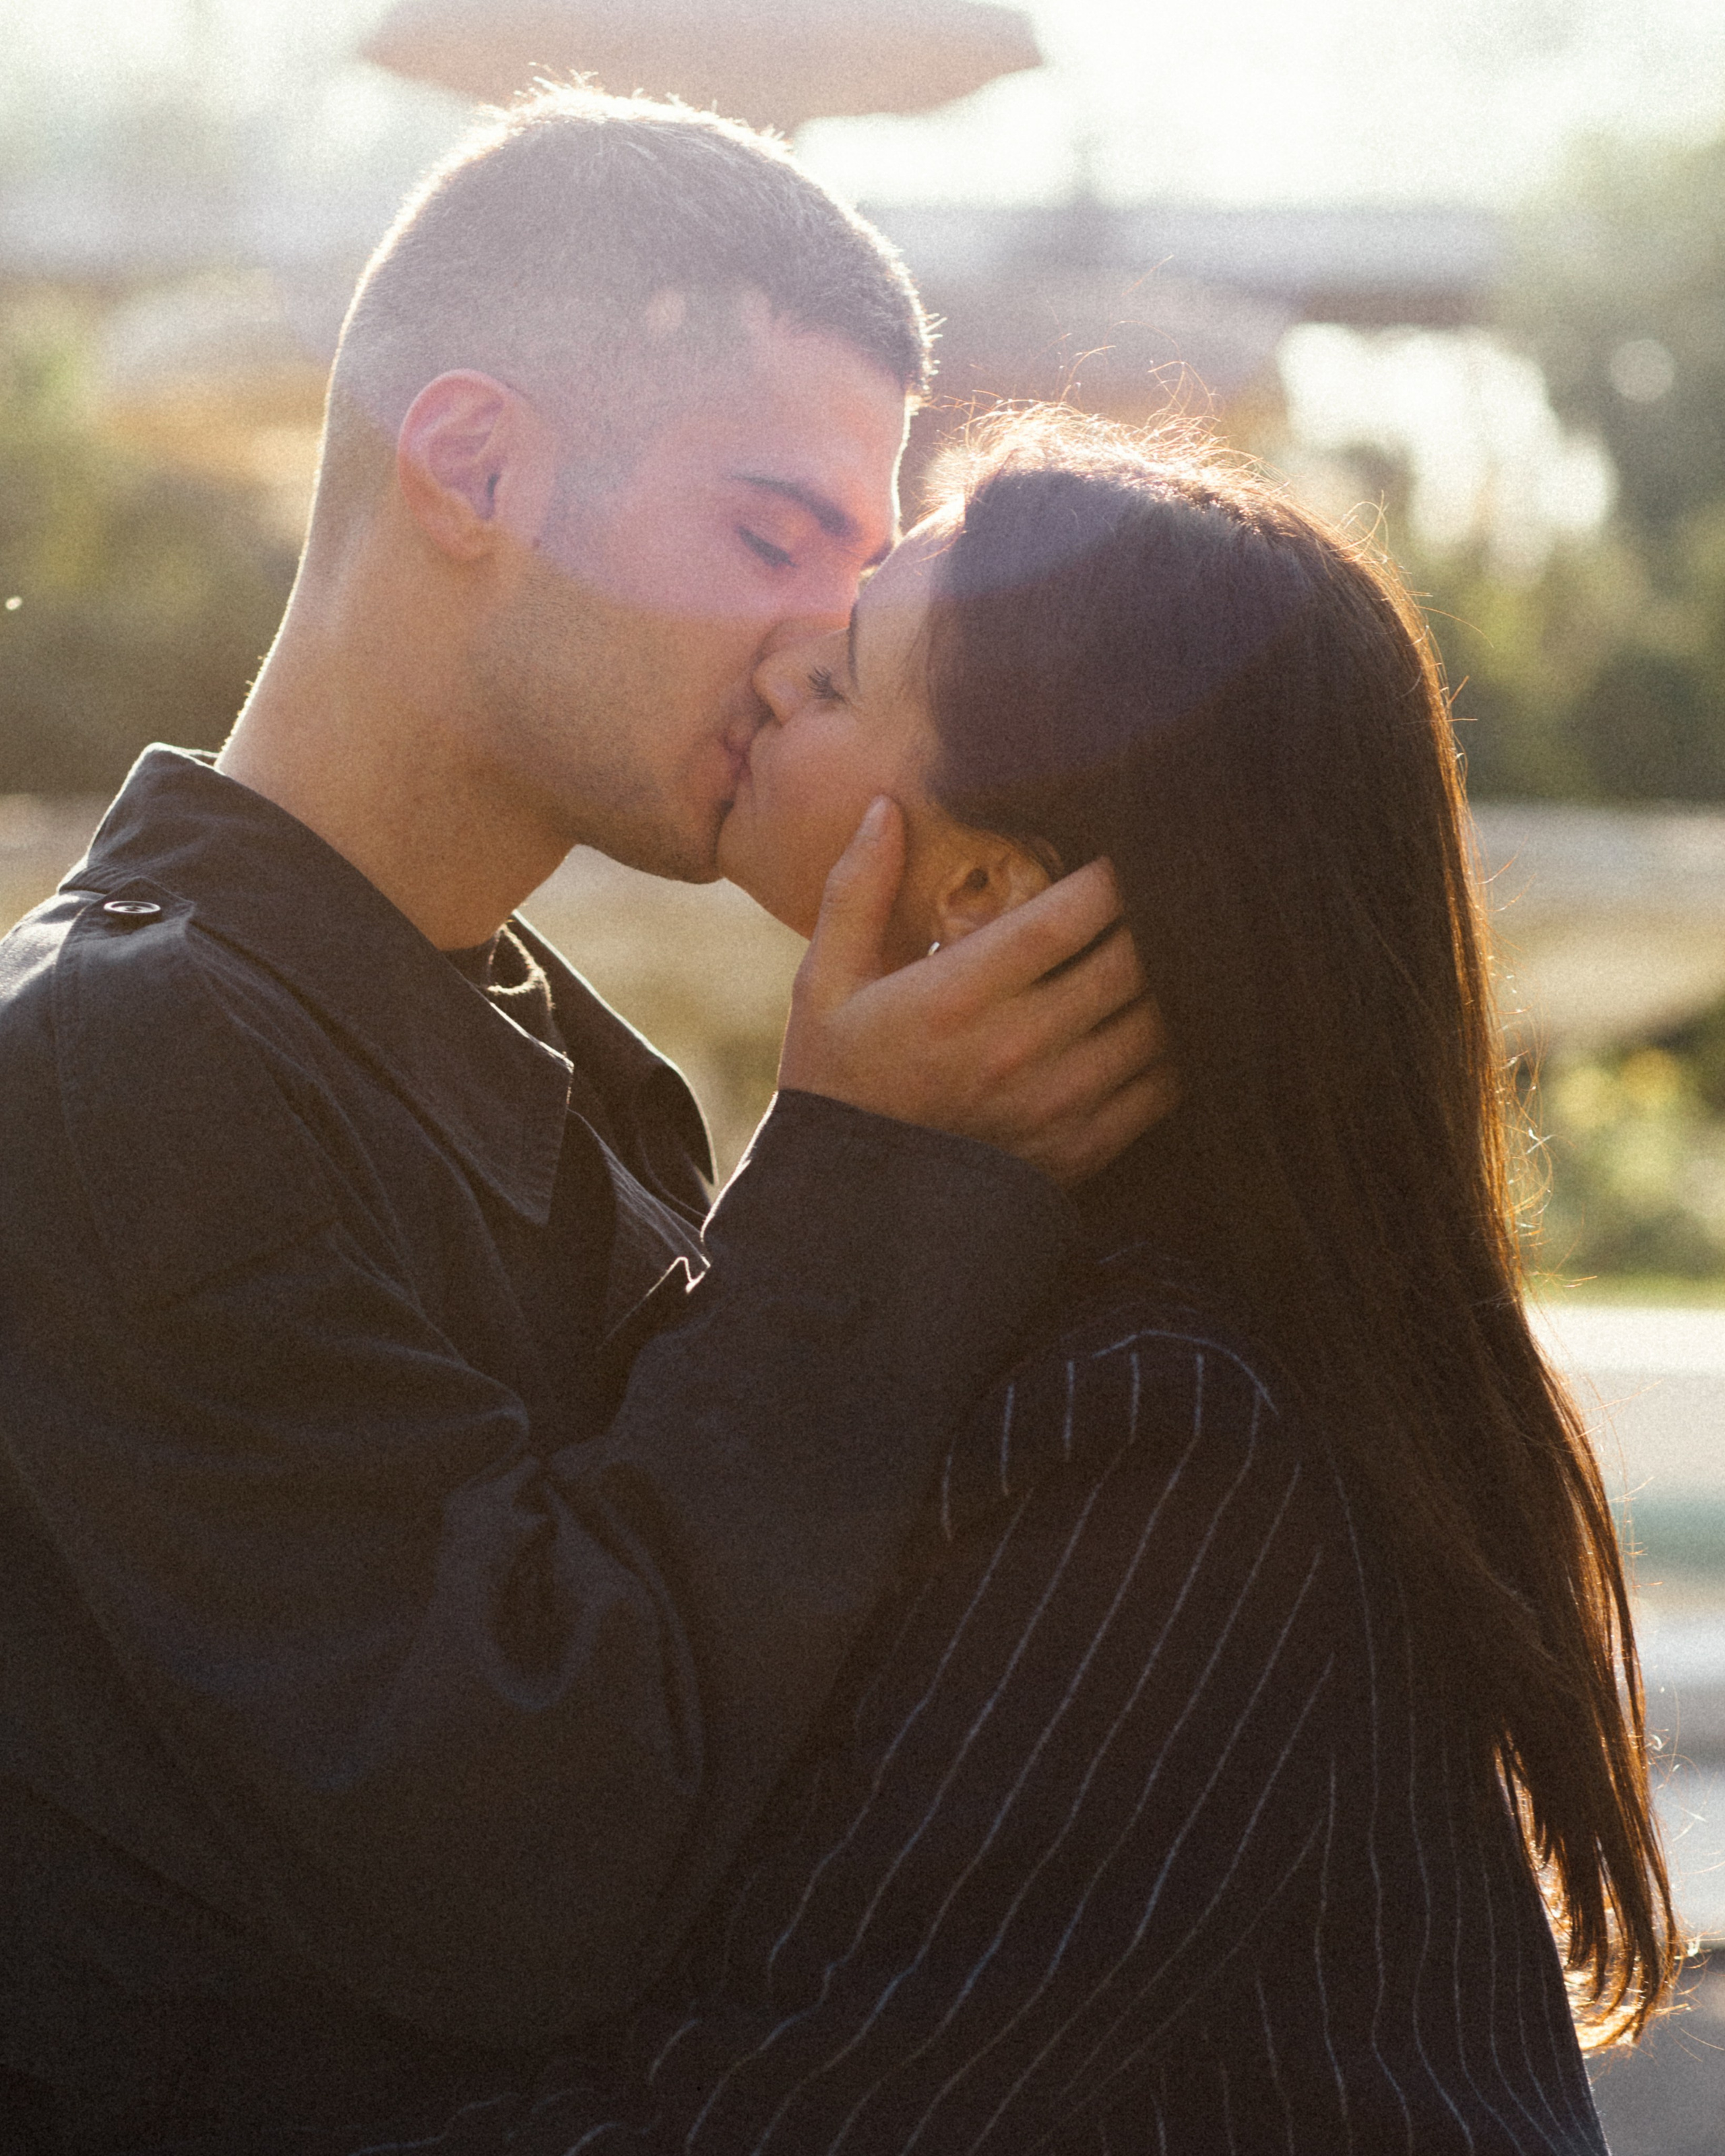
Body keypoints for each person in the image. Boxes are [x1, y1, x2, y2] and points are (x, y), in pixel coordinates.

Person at [0, 99, 1171, 2155]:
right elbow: (520, 1860)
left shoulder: (582, 1062)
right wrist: (869, 1192)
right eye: (769, 536)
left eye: (857, 573)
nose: (815, 646)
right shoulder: (112, 1062)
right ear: (471, 466)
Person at [367, 408, 1676, 2156]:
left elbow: (764, 2119)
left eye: (840, 676)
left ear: (988, 896)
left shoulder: (1171, 1436)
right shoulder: (1118, 1340)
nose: (773, 666)